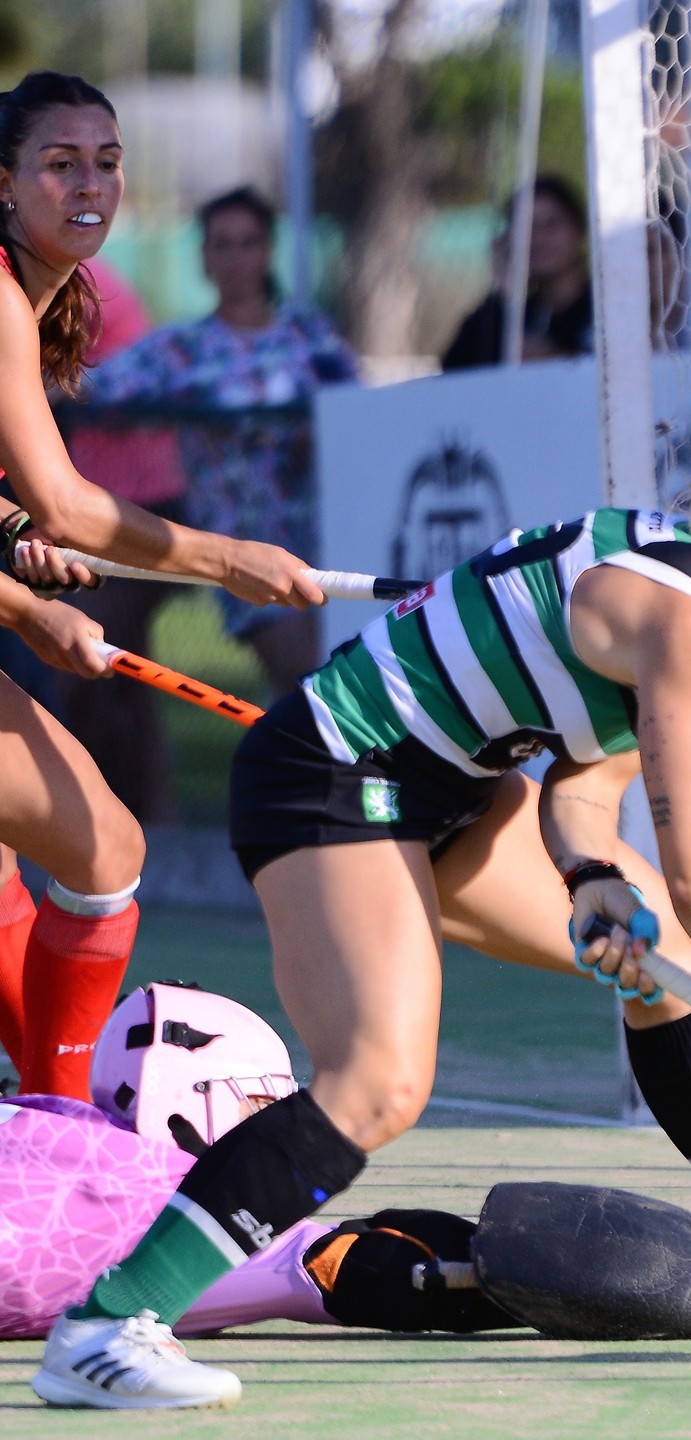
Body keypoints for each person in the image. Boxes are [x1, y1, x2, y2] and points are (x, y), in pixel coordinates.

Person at [36, 367, 691, 1411]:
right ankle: (106, 1326)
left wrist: (592, 876)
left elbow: (587, 786)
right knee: (380, 1082)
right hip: (336, 774)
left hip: (452, 789)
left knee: (672, 964)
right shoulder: (686, 621)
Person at [0, 72, 321, 1105]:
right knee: (103, 849)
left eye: (106, 160)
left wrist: (33, 605)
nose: (89, 184)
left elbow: (22, 516)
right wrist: (231, 558)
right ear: (4, 182)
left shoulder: (52, 303)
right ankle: (60, 1124)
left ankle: (44, 1120)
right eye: (60, 163)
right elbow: (71, 509)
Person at [5, 981, 691, 1347]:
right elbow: (371, 1267)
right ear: (190, 1106)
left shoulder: (53, 1116)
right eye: (260, 1103)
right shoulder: (181, 1222)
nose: (277, 1126)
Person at [82, 185, 357, 700]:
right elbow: (90, 389)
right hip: (246, 546)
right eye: (222, 244)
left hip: (335, 534)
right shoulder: (181, 349)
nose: (236, 257)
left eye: (249, 242)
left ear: (268, 250)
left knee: (343, 693)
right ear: (204, 257)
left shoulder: (311, 336)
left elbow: (358, 419)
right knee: (311, 689)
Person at [50, 256, 188, 823]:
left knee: (93, 659)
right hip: (94, 508)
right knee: (115, 668)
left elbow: (73, 385)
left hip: (135, 507)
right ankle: (140, 814)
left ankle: (108, 813)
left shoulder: (78, 282)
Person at [440, 175, 594, 369]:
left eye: (552, 224)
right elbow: (456, 373)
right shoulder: (512, 316)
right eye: (527, 227)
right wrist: (502, 295)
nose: (539, 238)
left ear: (580, 233)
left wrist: (561, 358)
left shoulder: (605, 309)